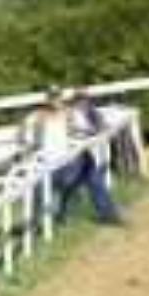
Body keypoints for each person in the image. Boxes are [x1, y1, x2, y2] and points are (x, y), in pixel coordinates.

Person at [20, 86, 121, 225]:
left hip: (70, 163)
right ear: (47, 99)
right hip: (46, 165)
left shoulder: (71, 114)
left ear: (61, 98)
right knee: (48, 190)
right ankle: (37, 223)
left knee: (91, 169)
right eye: (52, 97)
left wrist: (95, 130)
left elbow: (90, 129)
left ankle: (108, 214)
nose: (55, 101)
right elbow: (24, 140)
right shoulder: (34, 117)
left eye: (57, 97)